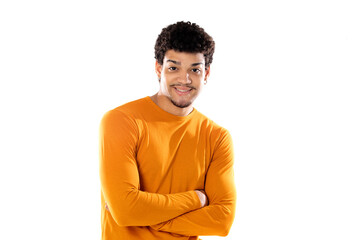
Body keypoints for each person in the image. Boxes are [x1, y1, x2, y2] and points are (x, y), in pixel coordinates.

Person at [99, 21, 236, 240]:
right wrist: (197, 199)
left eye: (195, 69)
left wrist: (146, 218)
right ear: (158, 68)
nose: (185, 79)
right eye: (174, 68)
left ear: (207, 73)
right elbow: (125, 211)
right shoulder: (122, 121)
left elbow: (222, 220)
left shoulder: (217, 137)